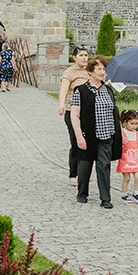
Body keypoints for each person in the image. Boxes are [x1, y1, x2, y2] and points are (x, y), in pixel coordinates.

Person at [69, 55, 118, 209]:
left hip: (106, 135)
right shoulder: (80, 91)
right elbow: (74, 115)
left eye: (104, 69)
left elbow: (114, 113)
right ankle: (82, 193)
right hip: (88, 134)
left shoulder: (108, 90)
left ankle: (105, 198)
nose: (102, 72)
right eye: (99, 69)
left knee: (104, 166)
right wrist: (78, 136)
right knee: (85, 165)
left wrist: (120, 132)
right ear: (90, 71)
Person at [57, 47, 91, 185]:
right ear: (74, 57)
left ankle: (84, 172)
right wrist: (61, 104)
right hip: (73, 111)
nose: (84, 58)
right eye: (81, 55)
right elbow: (64, 89)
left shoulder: (89, 71)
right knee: (76, 142)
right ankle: (73, 173)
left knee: (88, 143)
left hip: (88, 112)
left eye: (86, 55)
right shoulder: (70, 72)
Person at [116, 110, 138, 203]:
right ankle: (124, 194)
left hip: (134, 161)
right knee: (127, 178)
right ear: (125, 122)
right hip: (125, 160)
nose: (134, 126)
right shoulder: (122, 133)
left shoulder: (136, 133)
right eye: (132, 123)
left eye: (136, 124)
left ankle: (136, 192)